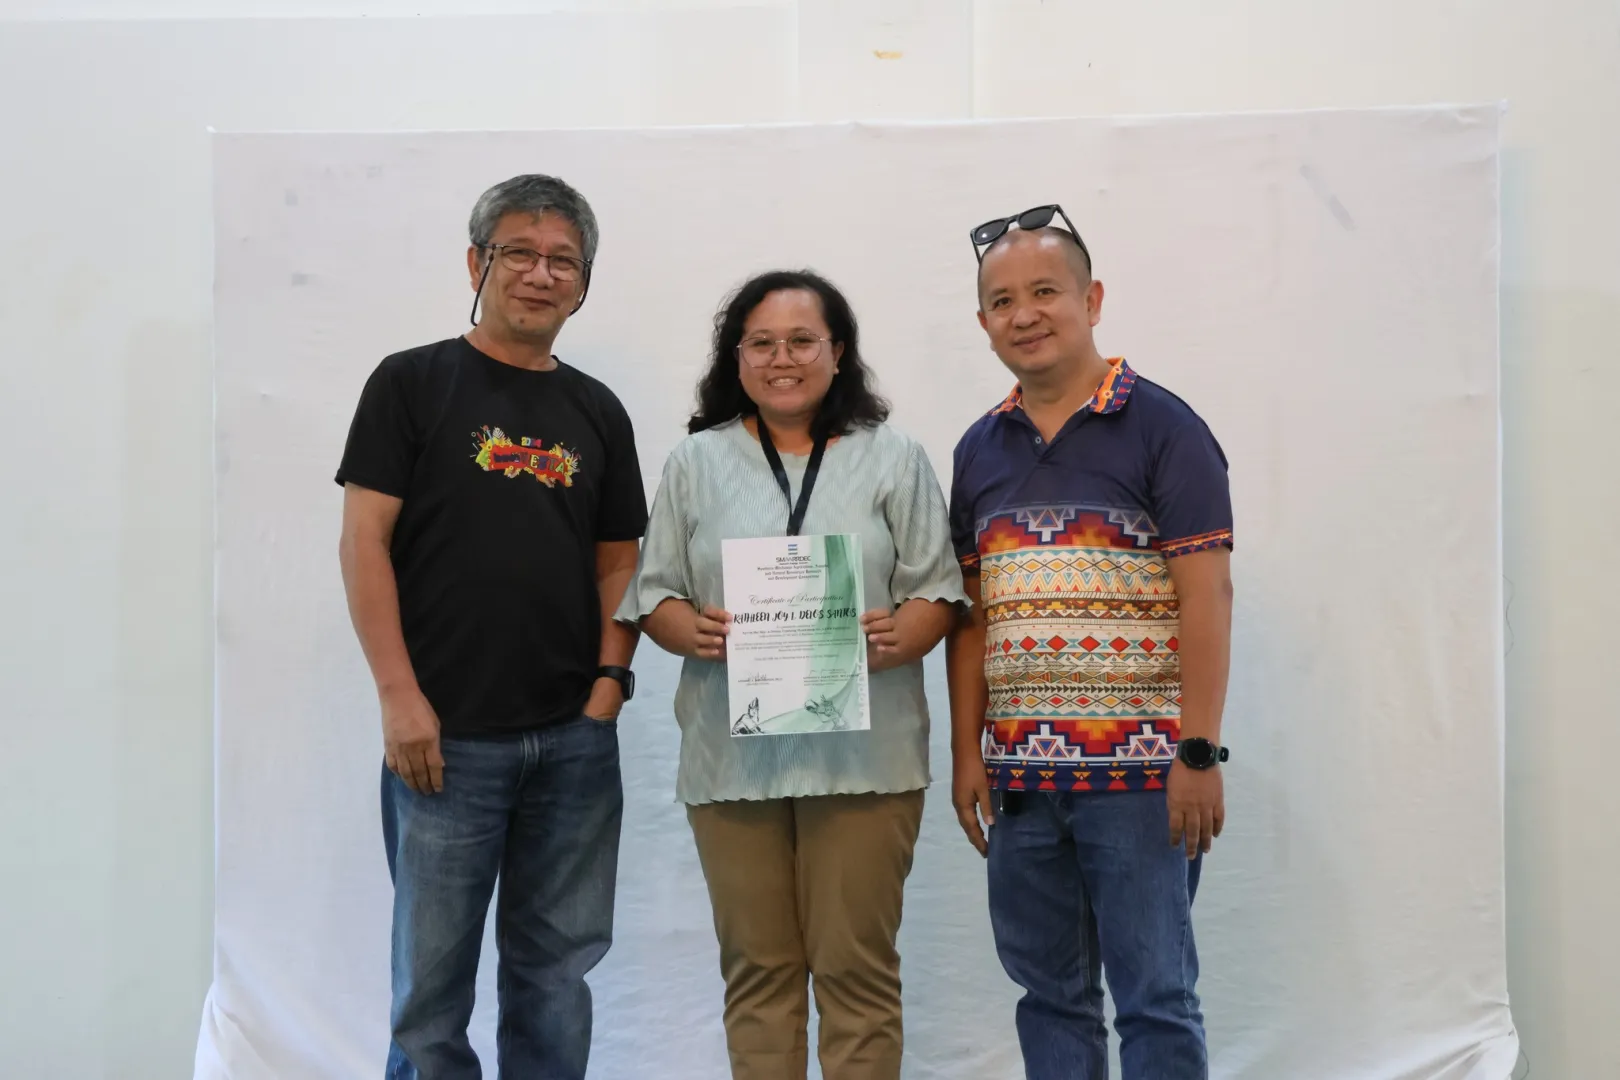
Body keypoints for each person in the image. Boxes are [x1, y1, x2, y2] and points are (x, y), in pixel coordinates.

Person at [615, 269, 965, 1080]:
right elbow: (654, 593)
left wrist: (903, 634)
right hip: (733, 759)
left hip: (866, 758)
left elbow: (939, 590)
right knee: (759, 972)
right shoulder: (696, 461)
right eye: (762, 343)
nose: (783, 358)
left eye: (803, 341)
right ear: (735, 357)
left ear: (838, 353)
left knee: (856, 971)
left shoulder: (894, 457)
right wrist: (689, 629)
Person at [335, 174, 647, 1080]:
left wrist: (607, 686)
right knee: (430, 1002)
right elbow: (363, 542)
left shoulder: (598, 411)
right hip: (443, 742)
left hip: (572, 744)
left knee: (556, 980)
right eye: (519, 253)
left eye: (563, 261)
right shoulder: (411, 383)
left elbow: (619, 561)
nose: (541, 274)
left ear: (583, 283)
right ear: (477, 263)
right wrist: (399, 697)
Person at [945, 205, 1235, 1080]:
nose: (1024, 314)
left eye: (1045, 291)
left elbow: (1208, 595)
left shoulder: (1164, 428)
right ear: (983, 321)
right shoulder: (979, 449)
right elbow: (974, 615)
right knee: (1051, 999)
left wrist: (1198, 752)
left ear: (1092, 298)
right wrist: (967, 753)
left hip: (1142, 782)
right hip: (1023, 786)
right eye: (1002, 301)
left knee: (1156, 1000)